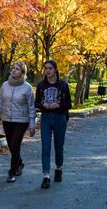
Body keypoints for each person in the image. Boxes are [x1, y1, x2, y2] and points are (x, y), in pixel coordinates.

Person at [0, 61, 36, 183]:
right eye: (13, 68)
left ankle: (12, 172)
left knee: (15, 145)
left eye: (17, 69)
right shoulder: (5, 85)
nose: (13, 70)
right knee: (11, 145)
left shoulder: (27, 88)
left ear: (23, 73)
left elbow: (31, 107)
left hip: (21, 120)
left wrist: (32, 125)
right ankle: (20, 163)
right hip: (7, 119)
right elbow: (0, 102)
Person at [35, 59, 71, 189]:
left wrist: (58, 105)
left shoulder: (63, 85)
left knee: (58, 146)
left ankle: (59, 168)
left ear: (55, 69)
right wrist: (42, 105)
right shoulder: (41, 86)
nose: (47, 71)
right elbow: (36, 103)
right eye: (46, 68)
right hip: (46, 118)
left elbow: (68, 104)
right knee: (45, 146)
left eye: (50, 68)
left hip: (59, 118)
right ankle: (46, 176)